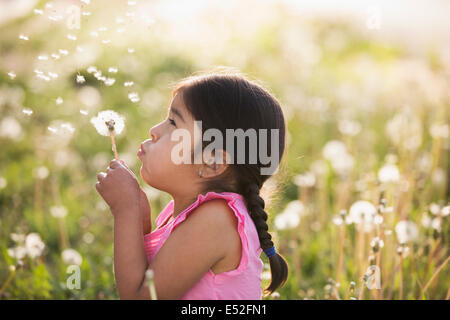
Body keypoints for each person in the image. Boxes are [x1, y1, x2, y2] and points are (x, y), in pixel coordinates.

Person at [95, 67, 288, 299]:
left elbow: (141, 297)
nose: (154, 131)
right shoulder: (195, 213)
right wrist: (140, 222)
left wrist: (125, 210)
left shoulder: (217, 220)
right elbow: (154, 278)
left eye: (173, 123)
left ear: (213, 162)